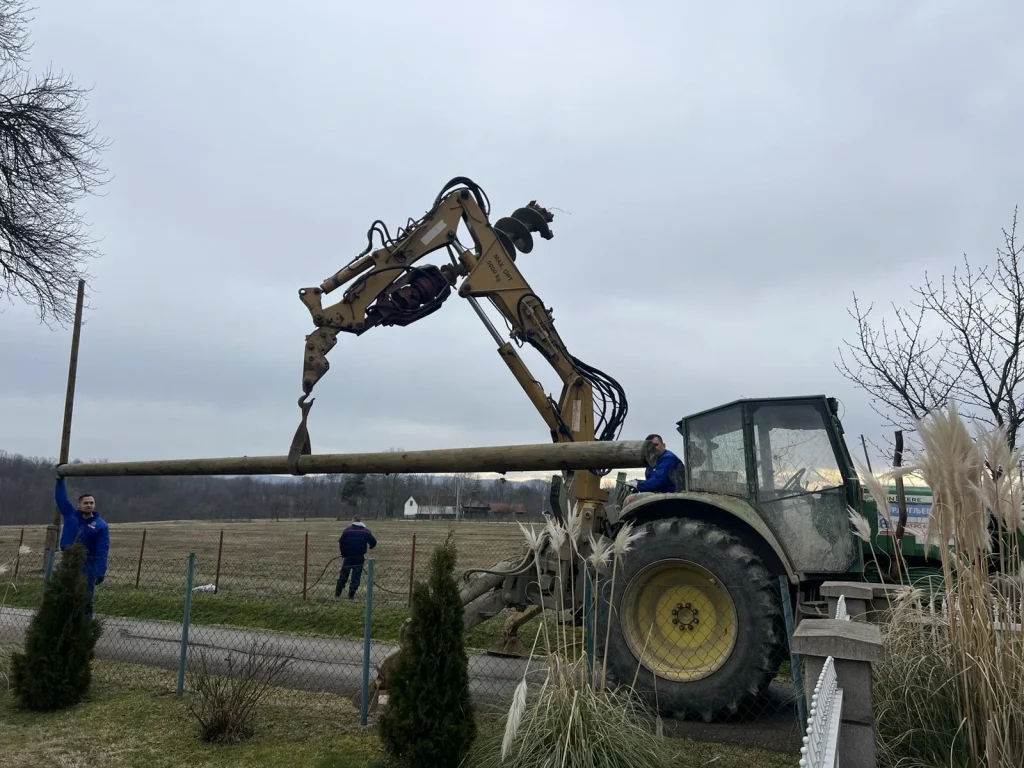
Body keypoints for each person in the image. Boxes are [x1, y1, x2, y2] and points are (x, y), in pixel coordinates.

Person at [54, 477, 111, 618]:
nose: (89, 505)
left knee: (85, 598)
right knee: (62, 595)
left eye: (91, 503)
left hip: (87, 565)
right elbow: (61, 499)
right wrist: (60, 481)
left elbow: (102, 551)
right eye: (86, 503)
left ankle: (85, 624)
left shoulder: (101, 526)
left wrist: (100, 572)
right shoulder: (70, 515)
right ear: (79, 505)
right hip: (67, 562)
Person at [335, 515, 377, 600]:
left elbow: (341, 542)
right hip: (359, 556)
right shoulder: (366, 531)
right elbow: (373, 542)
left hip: (348, 556)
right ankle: (351, 595)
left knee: (343, 575)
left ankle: (337, 594)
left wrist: (343, 553)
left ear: (353, 520)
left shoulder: (347, 530)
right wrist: (370, 547)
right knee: (356, 577)